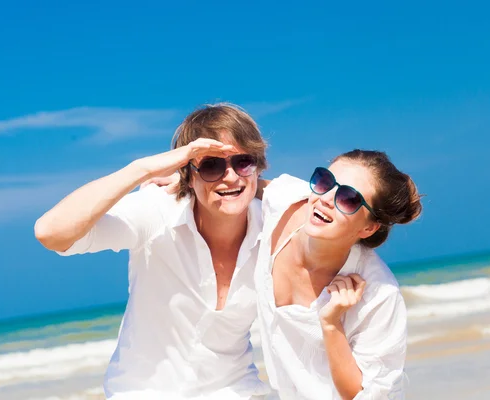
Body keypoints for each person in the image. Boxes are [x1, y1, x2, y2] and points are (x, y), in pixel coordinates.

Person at [34, 104, 270, 399]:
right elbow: (51, 232)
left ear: (258, 165)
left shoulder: (274, 221)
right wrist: (141, 169)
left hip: (239, 392)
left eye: (243, 162)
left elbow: (332, 204)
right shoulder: (157, 211)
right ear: (188, 173)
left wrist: (262, 188)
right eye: (211, 166)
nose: (231, 176)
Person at [256, 150, 422, 400]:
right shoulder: (285, 202)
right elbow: (230, 185)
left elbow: (362, 395)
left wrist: (332, 324)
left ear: (368, 227)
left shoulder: (379, 295)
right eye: (325, 181)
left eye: (348, 198)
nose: (325, 199)